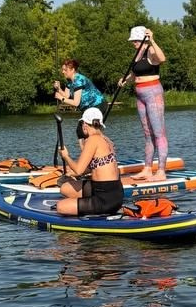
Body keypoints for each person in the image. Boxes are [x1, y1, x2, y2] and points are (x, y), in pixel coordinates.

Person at [55, 107, 124, 217]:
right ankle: (85, 205)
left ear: (85, 125)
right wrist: (71, 173)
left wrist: (66, 156)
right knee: (65, 188)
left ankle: (89, 207)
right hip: (115, 193)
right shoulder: (105, 139)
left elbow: (78, 170)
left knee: (60, 207)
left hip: (105, 199)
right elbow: (96, 166)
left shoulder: (92, 140)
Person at [119, 25, 168, 181]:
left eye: (135, 40)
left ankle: (161, 171)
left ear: (141, 39)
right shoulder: (137, 53)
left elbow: (162, 59)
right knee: (147, 135)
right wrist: (124, 81)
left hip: (153, 93)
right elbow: (135, 74)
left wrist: (152, 40)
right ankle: (147, 169)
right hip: (140, 95)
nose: (133, 43)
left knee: (158, 133)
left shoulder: (150, 50)